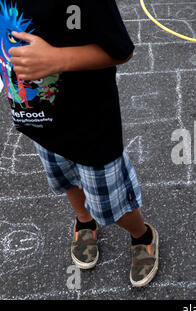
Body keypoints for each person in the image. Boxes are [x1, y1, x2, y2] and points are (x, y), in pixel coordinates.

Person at [0, 0, 158, 287]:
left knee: (112, 203)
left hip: (90, 124)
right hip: (38, 117)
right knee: (65, 180)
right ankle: (84, 221)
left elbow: (121, 50)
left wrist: (56, 59)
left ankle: (142, 234)